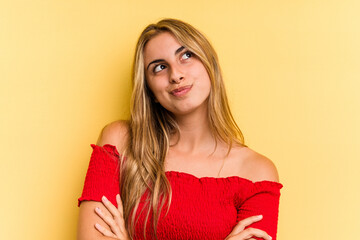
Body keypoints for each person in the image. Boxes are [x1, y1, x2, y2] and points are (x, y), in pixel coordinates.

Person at [77, 18, 283, 240]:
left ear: (209, 64)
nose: (176, 75)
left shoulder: (257, 173)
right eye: (159, 67)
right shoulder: (120, 141)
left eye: (186, 56)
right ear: (150, 91)